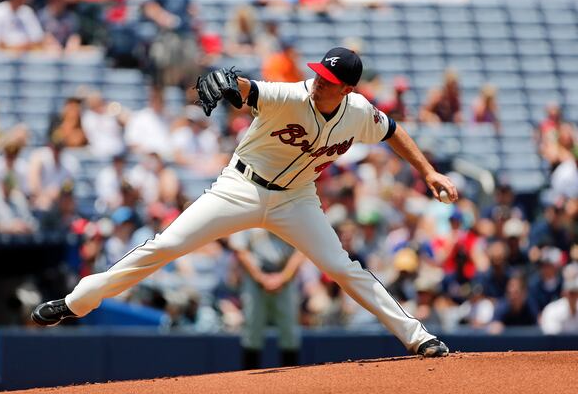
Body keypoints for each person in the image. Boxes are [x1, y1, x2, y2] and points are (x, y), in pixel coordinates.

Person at [32, 47, 457, 358]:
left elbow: (394, 131)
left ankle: (418, 337)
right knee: (164, 246)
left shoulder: (360, 112)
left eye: (329, 82)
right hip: (240, 188)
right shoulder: (292, 95)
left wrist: (428, 172)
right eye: (318, 75)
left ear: (346, 89)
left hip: (297, 199)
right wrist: (225, 81)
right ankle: (77, 301)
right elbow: (250, 90)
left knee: (344, 269)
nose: (318, 83)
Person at [229, 229, 305, 369]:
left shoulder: (290, 210)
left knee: (290, 333)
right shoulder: (246, 212)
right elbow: (240, 250)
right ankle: (249, 385)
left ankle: (292, 384)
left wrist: (283, 278)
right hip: (255, 280)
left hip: (285, 278)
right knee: (252, 332)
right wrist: (261, 278)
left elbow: (302, 250)